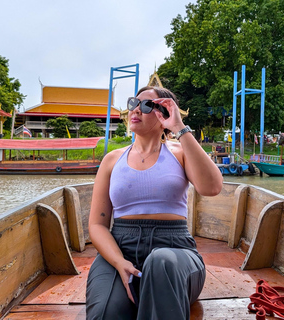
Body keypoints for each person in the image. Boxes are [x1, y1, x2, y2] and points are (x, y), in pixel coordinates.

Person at [85, 86, 223, 320]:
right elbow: (97, 225)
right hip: (120, 248)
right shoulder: (111, 160)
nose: (136, 110)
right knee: (106, 312)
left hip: (175, 252)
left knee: (160, 263)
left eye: (147, 105)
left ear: (164, 116)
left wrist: (179, 128)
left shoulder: (180, 152)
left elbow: (212, 187)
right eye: (133, 103)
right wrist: (119, 262)